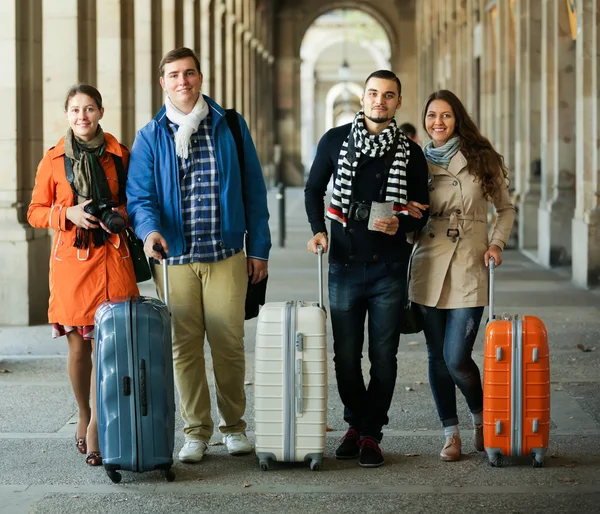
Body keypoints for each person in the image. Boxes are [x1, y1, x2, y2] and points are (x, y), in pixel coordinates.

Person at [126, 47, 271, 463]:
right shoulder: (151, 135)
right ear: (163, 83)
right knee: (183, 347)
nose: (182, 82)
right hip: (173, 261)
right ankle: (196, 432)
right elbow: (140, 197)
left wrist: (258, 248)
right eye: (174, 75)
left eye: (189, 73)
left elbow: (254, 192)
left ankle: (235, 427)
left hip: (225, 252)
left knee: (228, 342)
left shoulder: (229, 125)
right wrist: (149, 230)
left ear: (200, 77)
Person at [305, 70, 430, 468]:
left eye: (389, 95)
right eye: (374, 93)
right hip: (342, 264)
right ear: (362, 98)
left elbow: (421, 210)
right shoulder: (335, 141)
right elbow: (313, 190)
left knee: (384, 356)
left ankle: (371, 433)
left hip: (388, 268)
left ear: (397, 102)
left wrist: (404, 223)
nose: (380, 101)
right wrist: (317, 231)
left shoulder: (410, 153)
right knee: (345, 357)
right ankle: (355, 424)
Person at [27, 84, 139, 467]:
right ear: (67, 114)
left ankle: (96, 429)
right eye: (75, 110)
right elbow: (35, 211)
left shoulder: (120, 154)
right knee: (79, 348)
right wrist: (67, 214)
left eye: (89, 109)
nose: (82, 117)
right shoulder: (54, 159)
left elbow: (135, 201)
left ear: (101, 113)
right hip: (72, 263)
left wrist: (121, 215)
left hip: (112, 259)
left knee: (109, 347)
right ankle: (84, 414)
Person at [407, 89, 515, 461]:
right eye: (432, 116)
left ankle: (482, 418)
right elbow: (408, 216)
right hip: (428, 261)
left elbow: (505, 208)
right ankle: (450, 433)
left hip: (470, 261)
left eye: (446, 116)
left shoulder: (480, 157)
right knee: (436, 356)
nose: (438, 122)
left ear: (458, 119)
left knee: (457, 356)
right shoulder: (414, 161)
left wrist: (497, 244)